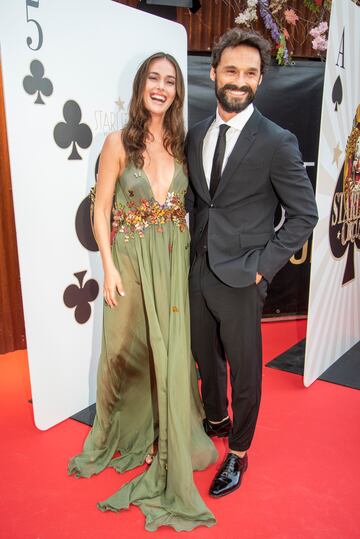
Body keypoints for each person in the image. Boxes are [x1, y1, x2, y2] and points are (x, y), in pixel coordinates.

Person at [68, 52, 217, 532]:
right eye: (154, 78)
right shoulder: (117, 142)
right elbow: (100, 208)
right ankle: (120, 431)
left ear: (176, 91)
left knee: (170, 354)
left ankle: (168, 436)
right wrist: (107, 266)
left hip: (172, 258)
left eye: (170, 81)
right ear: (140, 85)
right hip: (129, 259)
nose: (161, 86)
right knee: (122, 348)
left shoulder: (181, 143)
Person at [185, 28, 318, 498]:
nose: (239, 81)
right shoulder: (196, 132)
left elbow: (305, 214)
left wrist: (262, 267)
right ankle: (216, 420)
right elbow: (202, 203)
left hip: (244, 276)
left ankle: (239, 452)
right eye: (231, 71)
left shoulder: (278, 141)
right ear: (214, 72)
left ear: (260, 81)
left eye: (250, 73)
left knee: (244, 369)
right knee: (205, 356)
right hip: (197, 269)